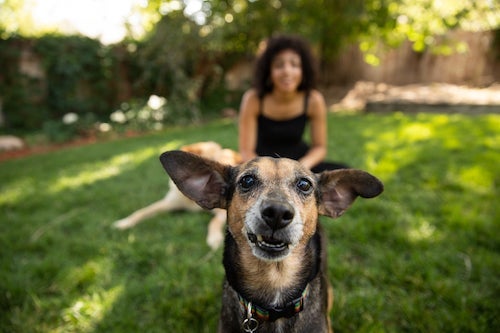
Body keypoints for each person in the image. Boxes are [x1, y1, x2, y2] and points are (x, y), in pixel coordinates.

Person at [238, 34, 348, 173]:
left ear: (303, 70)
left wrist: (301, 167)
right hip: (261, 164)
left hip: (299, 162)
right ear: (269, 71)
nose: (287, 71)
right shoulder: (253, 99)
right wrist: (267, 171)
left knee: (343, 172)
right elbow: (246, 151)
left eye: (294, 65)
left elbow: (319, 147)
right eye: (279, 65)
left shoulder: (313, 100)